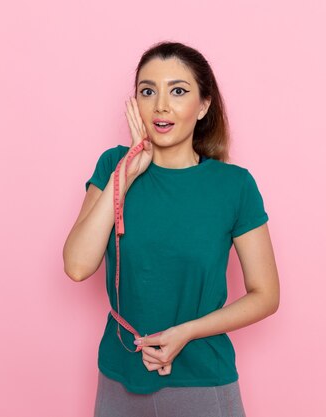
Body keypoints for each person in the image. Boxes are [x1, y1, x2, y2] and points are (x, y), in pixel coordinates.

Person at [63, 41, 280, 416]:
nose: (161, 105)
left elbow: (266, 295)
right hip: (119, 377)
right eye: (148, 91)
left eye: (178, 91)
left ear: (204, 106)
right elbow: (77, 266)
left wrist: (187, 332)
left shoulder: (234, 186)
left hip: (202, 379)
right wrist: (126, 174)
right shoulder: (114, 165)